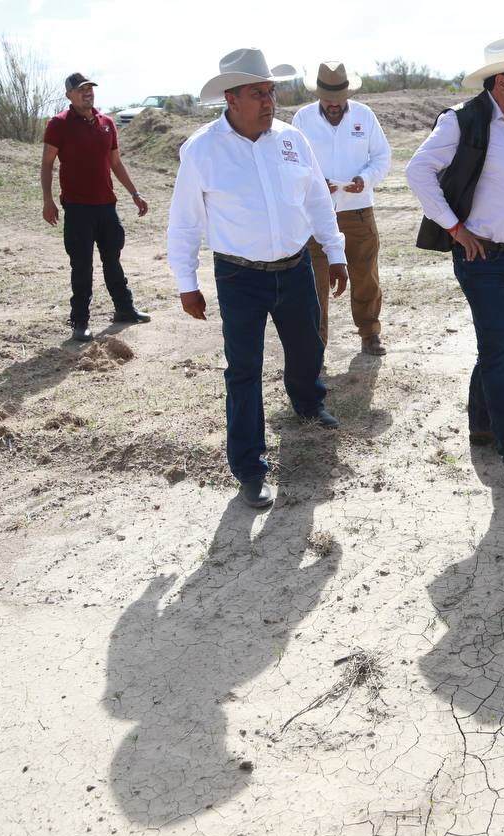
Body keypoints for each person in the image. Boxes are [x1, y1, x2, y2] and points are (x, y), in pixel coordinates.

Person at [167, 48, 348, 509]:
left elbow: (316, 200)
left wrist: (336, 250)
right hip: (238, 276)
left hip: (296, 265)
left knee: (308, 344)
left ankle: (308, 401)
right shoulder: (202, 150)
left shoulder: (292, 140)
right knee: (243, 370)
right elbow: (185, 221)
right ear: (231, 99)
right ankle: (250, 468)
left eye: (270, 92)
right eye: (257, 94)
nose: (269, 102)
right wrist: (187, 282)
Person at [405, 36, 504, 482]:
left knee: (499, 346)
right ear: (501, 82)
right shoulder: (463, 122)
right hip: (480, 258)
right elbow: (417, 171)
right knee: (498, 352)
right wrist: (454, 227)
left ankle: (481, 424)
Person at [41, 72, 151, 342]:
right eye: (81, 89)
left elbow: (115, 163)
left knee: (112, 259)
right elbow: (47, 164)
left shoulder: (107, 123)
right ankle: (80, 321)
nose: (87, 92)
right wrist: (48, 199)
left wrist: (134, 193)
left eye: (90, 88)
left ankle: (124, 309)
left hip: (106, 206)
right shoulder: (58, 124)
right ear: (69, 95)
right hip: (77, 209)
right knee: (82, 266)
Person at [292, 62, 392, 355]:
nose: (334, 105)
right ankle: (316, 341)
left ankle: (370, 332)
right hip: (315, 214)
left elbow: (382, 156)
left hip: (358, 210)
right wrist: (314, 183)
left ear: (348, 94)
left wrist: (366, 178)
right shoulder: (303, 118)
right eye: (328, 100)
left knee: (365, 274)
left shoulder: (365, 115)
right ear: (319, 95)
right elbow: (293, 163)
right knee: (315, 280)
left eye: (339, 99)